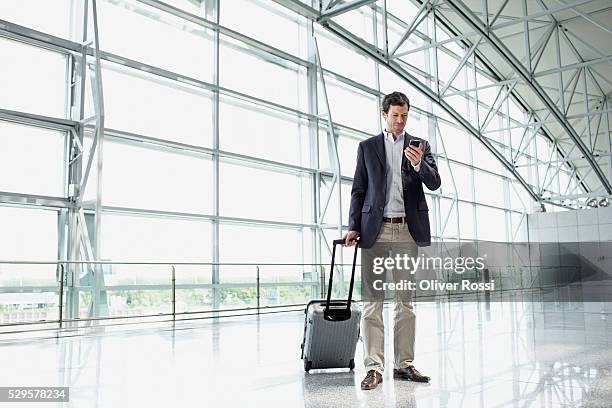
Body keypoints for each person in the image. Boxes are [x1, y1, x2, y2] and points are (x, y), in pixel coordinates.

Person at [343, 91, 441, 390]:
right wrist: (353, 226)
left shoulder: (419, 146)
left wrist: (418, 165)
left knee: (405, 302)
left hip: (407, 232)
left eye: (405, 116)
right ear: (384, 115)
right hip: (376, 231)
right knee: (373, 303)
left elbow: (435, 182)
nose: (400, 121)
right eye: (395, 115)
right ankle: (374, 367)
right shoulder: (367, 147)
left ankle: (404, 364)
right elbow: (358, 190)